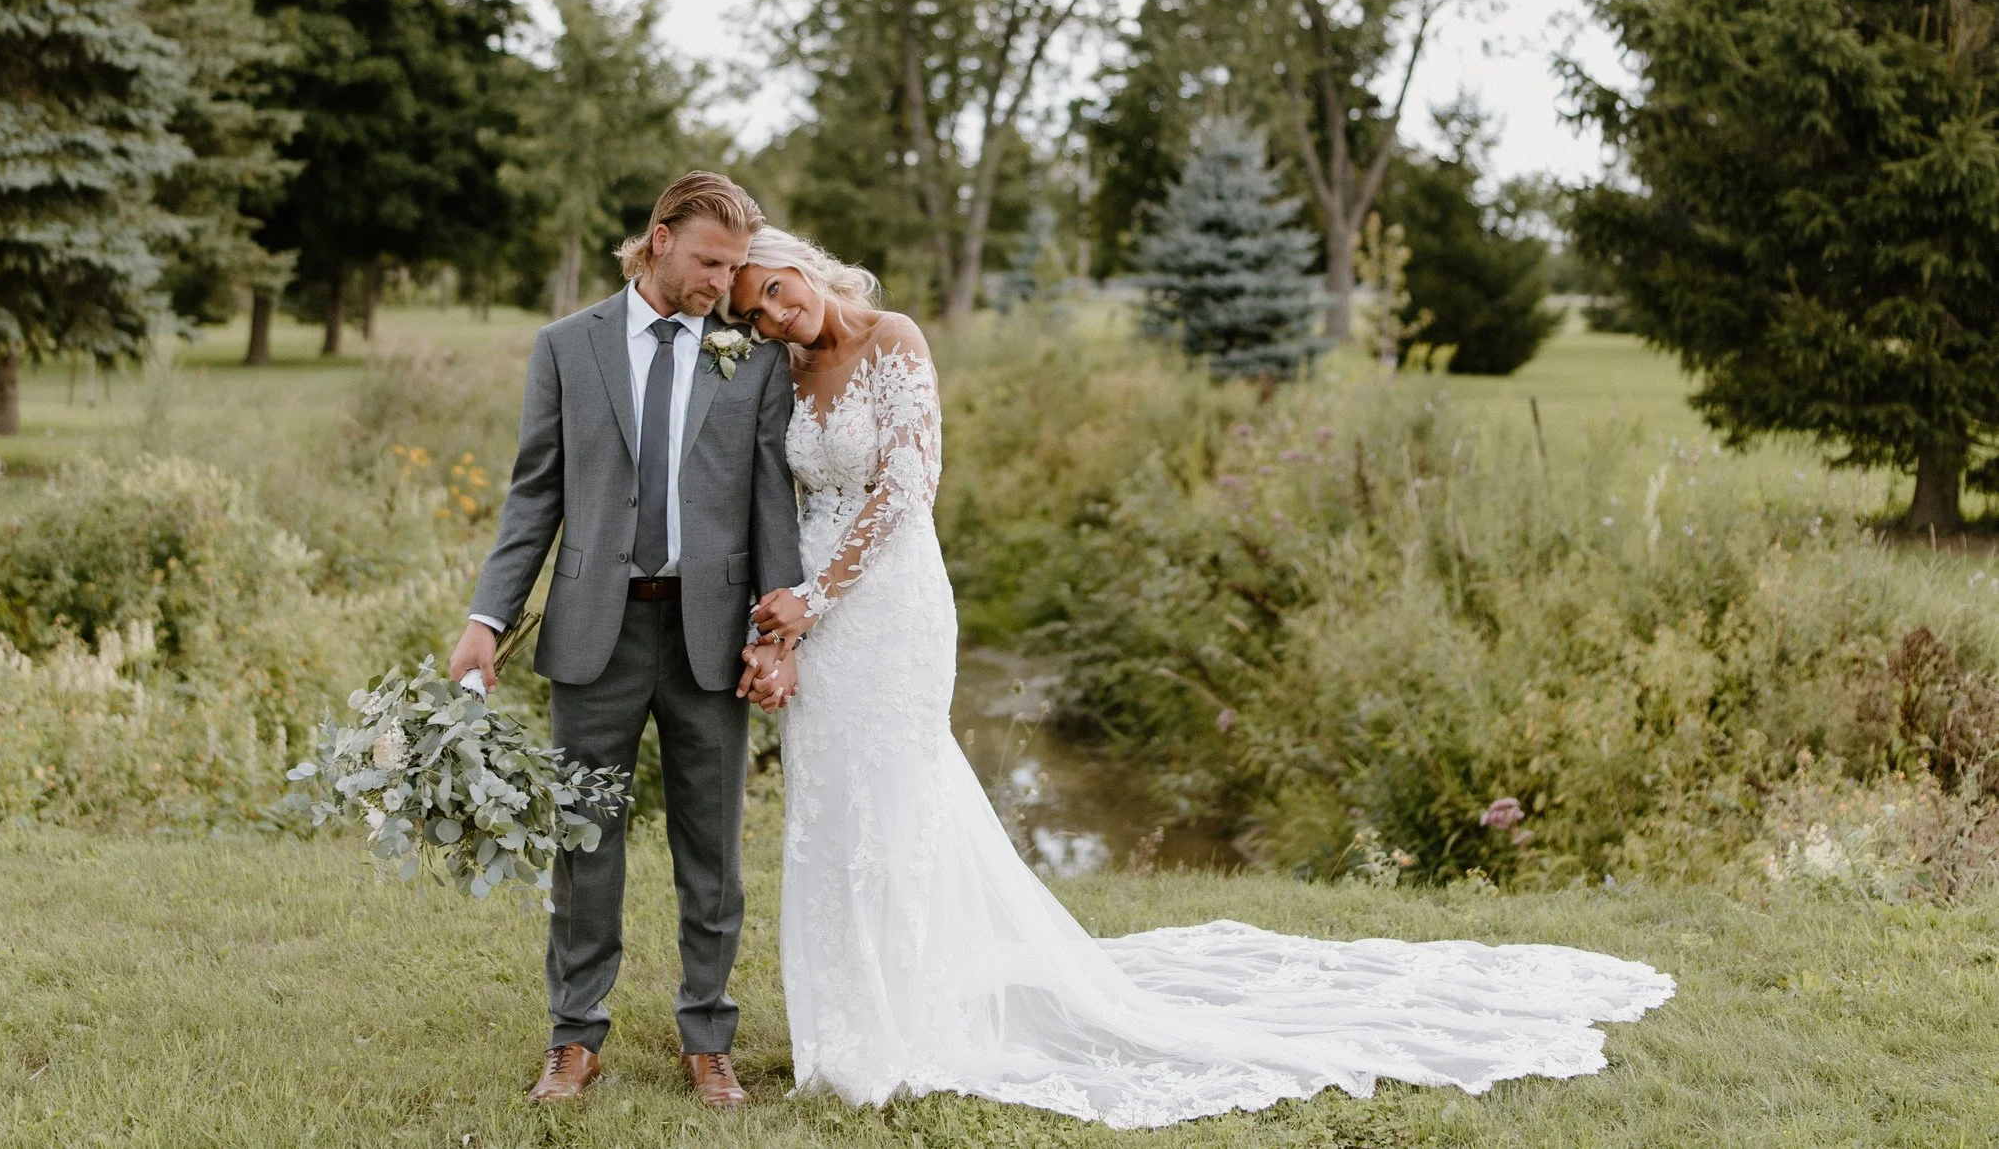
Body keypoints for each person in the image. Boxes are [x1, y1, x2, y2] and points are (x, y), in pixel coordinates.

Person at [726, 227, 1674, 1130]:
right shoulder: (780, 371)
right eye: (754, 314)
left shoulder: (896, 339)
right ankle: (843, 1030)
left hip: (887, 602)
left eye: (775, 289)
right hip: (811, 611)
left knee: (895, 799)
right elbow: (776, 493)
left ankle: (904, 1023)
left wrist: (815, 596)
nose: (773, 316)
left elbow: (908, 487)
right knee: (832, 806)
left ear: (802, 266)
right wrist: (784, 621)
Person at [448, 172, 804, 1110]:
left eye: (734, 267)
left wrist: (778, 632)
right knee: (584, 840)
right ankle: (575, 1037)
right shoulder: (567, 346)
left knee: (712, 844)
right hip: (593, 632)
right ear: (657, 239)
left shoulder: (751, 356)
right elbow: (535, 496)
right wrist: (487, 619)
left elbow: (774, 504)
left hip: (710, 635)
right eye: (707, 261)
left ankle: (709, 1037)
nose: (722, 283)